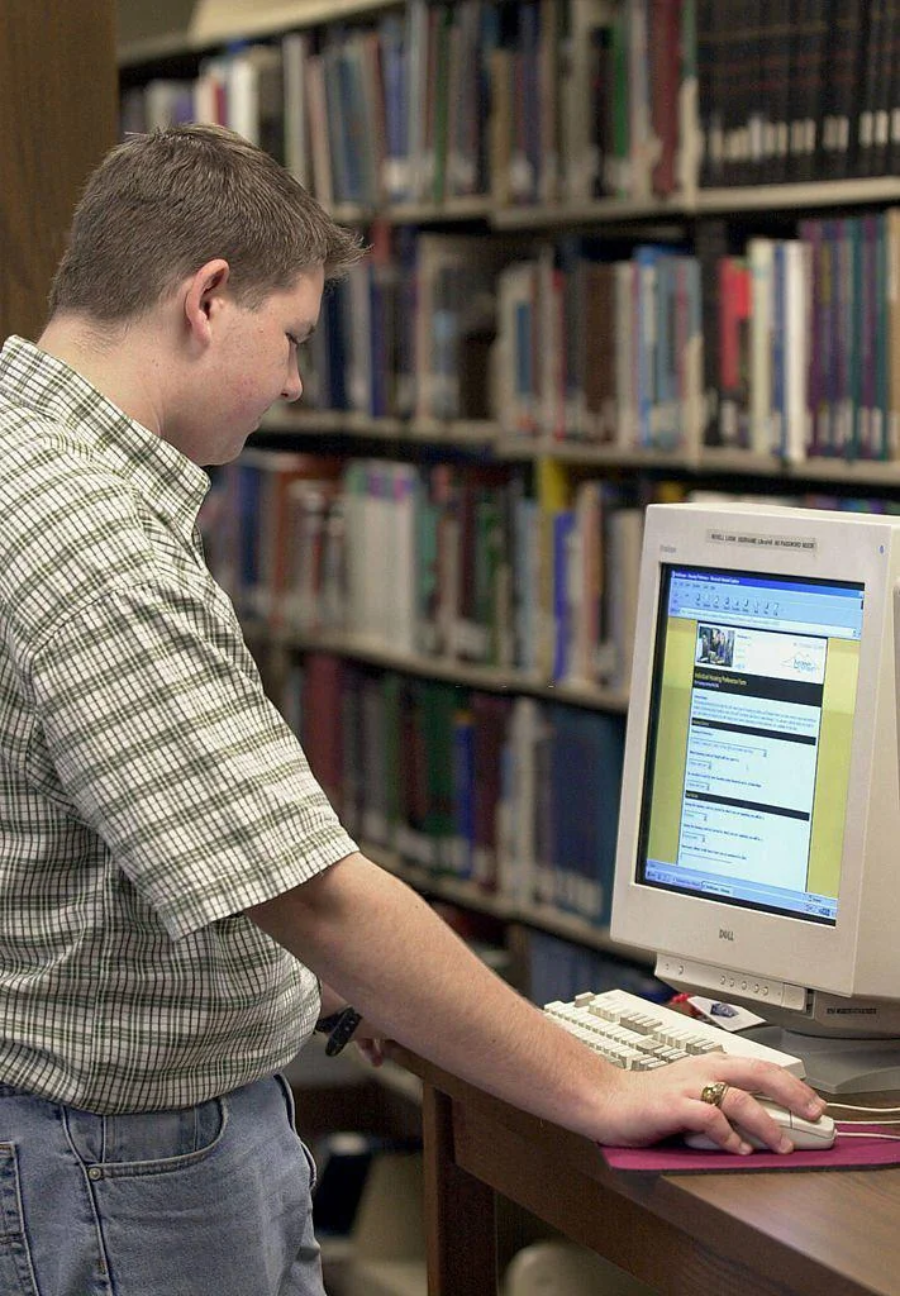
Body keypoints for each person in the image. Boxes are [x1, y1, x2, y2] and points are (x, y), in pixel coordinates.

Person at [0, 124, 824, 1296]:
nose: (293, 382)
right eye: (291, 338)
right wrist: (602, 1086)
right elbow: (312, 893)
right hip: (121, 1177)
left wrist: (351, 995)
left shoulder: (19, 454)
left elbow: (113, 856)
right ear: (207, 298)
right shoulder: (94, 538)